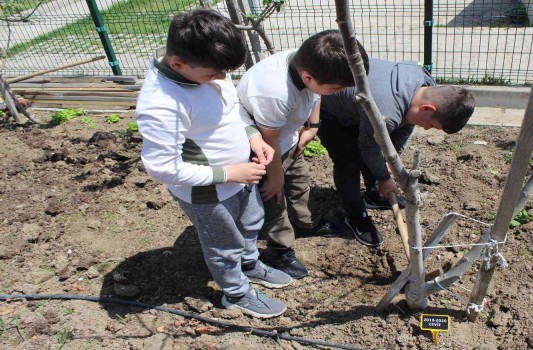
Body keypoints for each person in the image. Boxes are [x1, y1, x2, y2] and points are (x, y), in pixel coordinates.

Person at [135, 9, 291, 319]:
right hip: (206, 192)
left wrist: (252, 138)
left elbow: (231, 110)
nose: (221, 80)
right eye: (214, 75)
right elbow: (161, 167)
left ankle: (250, 264)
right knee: (223, 243)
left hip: (240, 175)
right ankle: (236, 293)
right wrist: (228, 173)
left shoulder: (206, 67)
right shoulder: (162, 103)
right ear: (178, 64)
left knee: (250, 222)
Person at [236, 29, 369, 279]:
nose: (339, 92)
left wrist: (313, 126)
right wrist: (275, 177)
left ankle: (305, 224)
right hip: (261, 150)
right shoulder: (273, 92)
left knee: (299, 184)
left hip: (287, 139)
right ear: (307, 77)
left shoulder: (308, 65)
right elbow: (268, 140)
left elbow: (316, 93)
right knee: (274, 199)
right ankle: (279, 250)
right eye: (337, 88)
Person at [318, 59, 475, 247]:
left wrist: (391, 159)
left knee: (374, 150)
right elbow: (369, 147)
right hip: (329, 110)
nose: (426, 129)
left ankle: (374, 195)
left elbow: (407, 124)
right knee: (348, 162)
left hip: (363, 109)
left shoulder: (425, 87)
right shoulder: (387, 111)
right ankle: (355, 217)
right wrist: (384, 179)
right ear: (427, 108)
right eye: (431, 125)